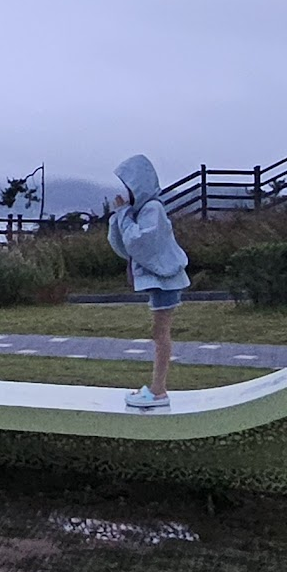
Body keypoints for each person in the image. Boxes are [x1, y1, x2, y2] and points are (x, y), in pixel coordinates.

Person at [108, 155, 190, 410]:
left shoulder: (153, 209)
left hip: (167, 280)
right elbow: (124, 246)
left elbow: (139, 242)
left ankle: (158, 390)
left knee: (160, 335)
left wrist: (124, 214)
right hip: (162, 280)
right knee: (159, 334)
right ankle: (157, 388)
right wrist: (120, 216)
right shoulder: (144, 210)